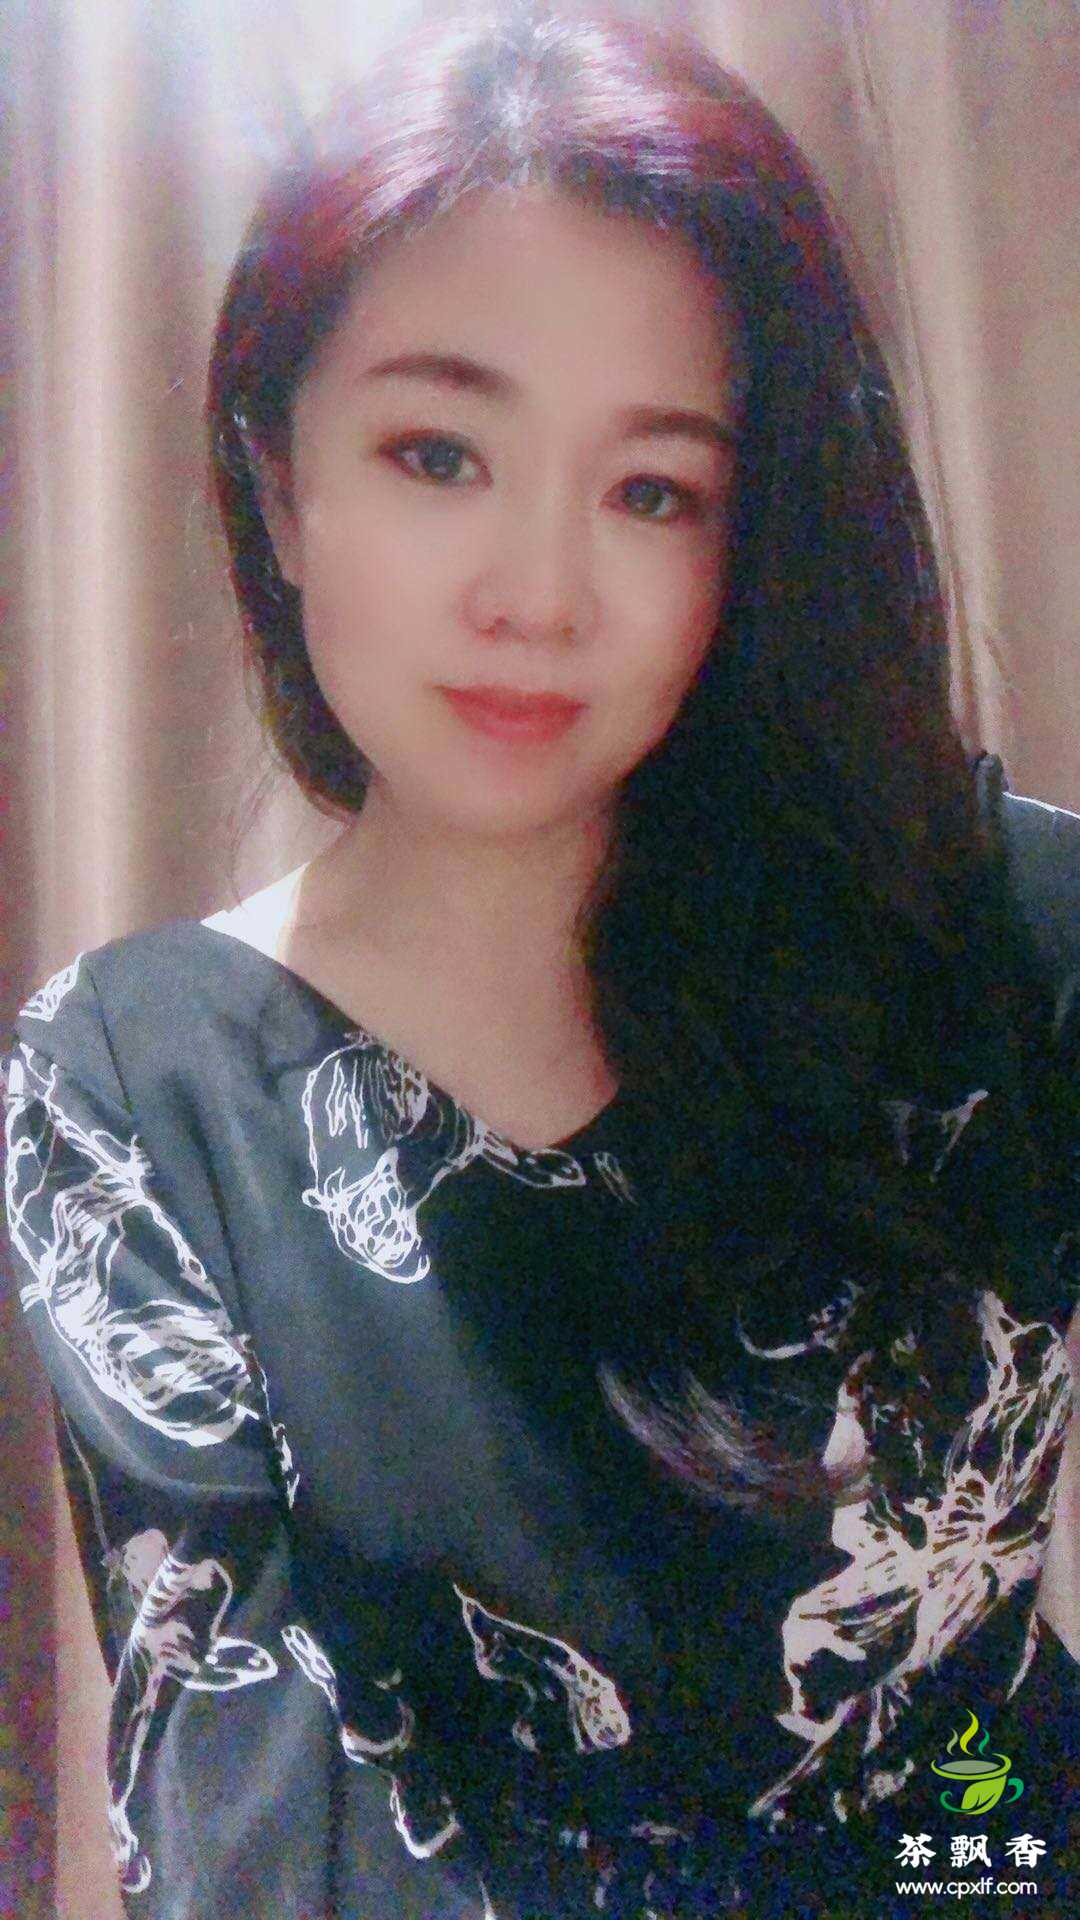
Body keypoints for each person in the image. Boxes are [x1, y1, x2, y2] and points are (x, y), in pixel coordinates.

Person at [3, 2, 1076, 1914]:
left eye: (652, 489)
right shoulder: (137, 1091)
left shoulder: (997, 942)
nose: (538, 595)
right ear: (280, 482)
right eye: (439, 453)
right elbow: (258, 1827)